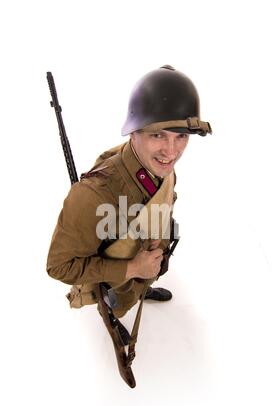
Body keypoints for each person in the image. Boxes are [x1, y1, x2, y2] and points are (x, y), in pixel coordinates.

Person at [46, 65, 212, 388]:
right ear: (134, 132)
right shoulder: (93, 197)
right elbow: (58, 266)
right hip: (116, 284)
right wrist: (133, 267)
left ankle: (143, 287)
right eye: (158, 135)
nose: (172, 151)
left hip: (147, 259)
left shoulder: (157, 167)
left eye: (181, 136)